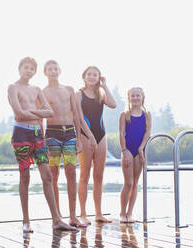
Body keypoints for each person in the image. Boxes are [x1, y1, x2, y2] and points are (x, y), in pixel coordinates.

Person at [7, 57, 76, 232]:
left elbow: (49, 111)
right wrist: (37, 114)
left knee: (47, 176)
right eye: (26, 68)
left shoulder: (37, 89)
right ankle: (26, 221)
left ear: (34, 72)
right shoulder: (13, 88)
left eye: (32, 69)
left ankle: (57, 220)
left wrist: (29, 112)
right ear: (19, 68)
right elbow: (18, 114)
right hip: (21, 134)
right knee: (25, 177)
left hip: (37, 135)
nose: (28, 71)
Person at [42, 60, 86, 228]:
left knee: (71, 173)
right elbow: (40, 118)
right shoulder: (43, 92)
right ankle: (57, 216)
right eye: (49, 69)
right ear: (45, 72)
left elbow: (76, 115)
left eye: (55, 69)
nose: (53, 71)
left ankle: (73, 216)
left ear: (60, 71)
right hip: (52, 135)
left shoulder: (69, 90)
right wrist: (42, 141)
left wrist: (79, 140)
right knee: (53, 175)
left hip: (69, 134)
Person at [75, 66, 116, 225]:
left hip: (101, 136)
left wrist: (105, 85)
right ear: (84, 77)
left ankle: (98, 213)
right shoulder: (78, 94)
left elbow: (113, 104)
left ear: (98, 77)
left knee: (99, 176)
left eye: (95, 75)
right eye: (89, 74)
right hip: (86, 135)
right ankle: (83, 214)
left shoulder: (101, 94)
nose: (92, 77)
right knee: (84, 174)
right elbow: (78, 118)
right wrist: (90, 136)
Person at [119, 87, 151, 223]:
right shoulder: (124, 115)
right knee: (128, 182)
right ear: (129, 98)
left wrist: (141, 148)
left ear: (142, 97)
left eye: (138, 96)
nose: (135, 98)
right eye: (133, 96)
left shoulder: (147, 114)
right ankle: (122, 213)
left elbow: (147, 133)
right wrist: (124, 150)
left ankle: (129, 213)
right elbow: (121, 133)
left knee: (135, 183)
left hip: (139, 151)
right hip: (127, 151)